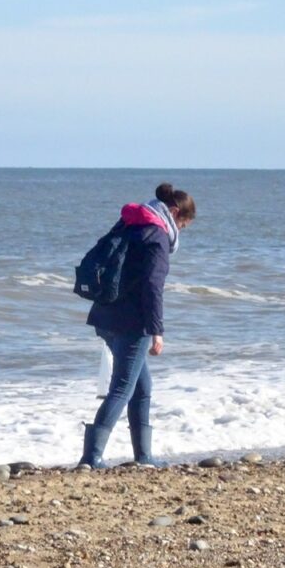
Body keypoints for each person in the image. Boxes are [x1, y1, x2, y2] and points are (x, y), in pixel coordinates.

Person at [79, 183, 197, 468]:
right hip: (134, 323)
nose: (179, 231)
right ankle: (91, 458)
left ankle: (143, 456)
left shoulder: (129, 224)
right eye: (182, 225)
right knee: (122, 387)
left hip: (105, 316)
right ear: (174, 212)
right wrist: (157, 330)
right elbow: (152, 288)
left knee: (141, 386)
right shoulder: (156, 238)